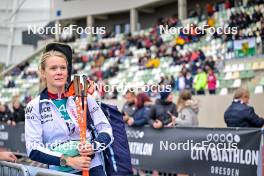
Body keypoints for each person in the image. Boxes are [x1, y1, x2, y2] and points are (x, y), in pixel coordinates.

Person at [25, 43, 113, 175]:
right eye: (53, 68)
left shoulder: (83, 97)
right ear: (43, 72)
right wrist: (68, 160)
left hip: (92, 167)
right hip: (60, 170)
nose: (59, 72)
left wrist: (93, 146)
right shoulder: (34, 106)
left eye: (63, 68)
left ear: (68, 71)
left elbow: (106, 129)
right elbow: (33, 149)